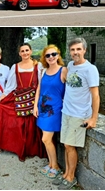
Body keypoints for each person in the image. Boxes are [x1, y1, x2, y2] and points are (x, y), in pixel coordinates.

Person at [53, 38, 100, 190]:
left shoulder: (90, 69)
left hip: (79, 114)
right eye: (73, 50)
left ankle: (71, 178)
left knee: (69, 145)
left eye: (79, 49)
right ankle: (66, 174)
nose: (75, 52)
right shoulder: (70, 65)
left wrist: (94, 118)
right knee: (66, 145)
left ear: (84, 50)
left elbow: (95, 95)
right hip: (66, 111)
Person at [0, 43, 46, 161]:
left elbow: (42, 83)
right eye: (22, 51)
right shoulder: (15, 67)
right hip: (20, 98)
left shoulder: (39, 66)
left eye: (27, 50)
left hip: (34, 98)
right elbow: (11, 85)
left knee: (33, 124)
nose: (25, 53)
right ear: (19, 53)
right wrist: (4, 95)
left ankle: (32, 149)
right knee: (18, 124)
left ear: (31, 51)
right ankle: (19, 149)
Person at [34, 44, 67, 179]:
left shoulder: (63, 70)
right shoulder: (43, 71)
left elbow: (73, 90)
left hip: (54, 110)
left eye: (54, 54)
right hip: (42, 108)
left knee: (46, 138)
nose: (51, 57)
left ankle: (57, 167)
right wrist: (35, 106)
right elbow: (39, 89)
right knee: (47, 140)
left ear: (58, 55)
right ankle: (51, 164)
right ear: (45, 58)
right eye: (48, 55)